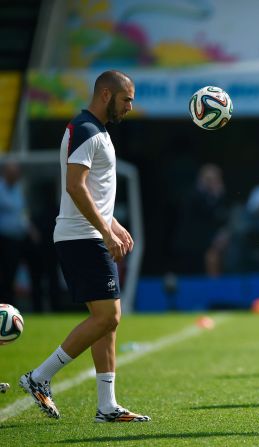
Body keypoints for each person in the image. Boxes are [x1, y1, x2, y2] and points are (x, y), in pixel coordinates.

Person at [19, 70, 150, 422]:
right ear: (106, 95)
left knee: (106, 321)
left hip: (89, 235)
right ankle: (39, 377)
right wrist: (105, 232)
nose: (130, 106)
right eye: (127, 99)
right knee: (109, 316)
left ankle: (107, 406)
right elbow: (75, 187)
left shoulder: (97, 131)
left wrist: (113, 224)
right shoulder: (86, 129)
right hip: (82, 238)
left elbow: (95, 190)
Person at [0, 160, 42, 310]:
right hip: (5, 240)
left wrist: (31, 230)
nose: (16, 176)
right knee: (7, 276)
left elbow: (22, 214)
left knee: (34, 268)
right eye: (13, 173)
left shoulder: (18, 189)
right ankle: (6, 307)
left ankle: (37, 306)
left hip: (21, 239)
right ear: (6, 173)